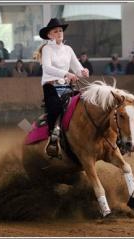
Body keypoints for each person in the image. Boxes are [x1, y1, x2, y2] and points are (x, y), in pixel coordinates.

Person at [34, 18, 89, 157]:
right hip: (51, 87)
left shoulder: (68, 49)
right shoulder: (47, 49)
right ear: (49, 35)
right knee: (56, 108)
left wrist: (83, 71)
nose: (59, 33)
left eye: (60, 30)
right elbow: (47, 68)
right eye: (56, 31)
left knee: (83, 104)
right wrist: (66, 73)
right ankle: (53, 139)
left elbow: (77, 67)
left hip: (66, 86)